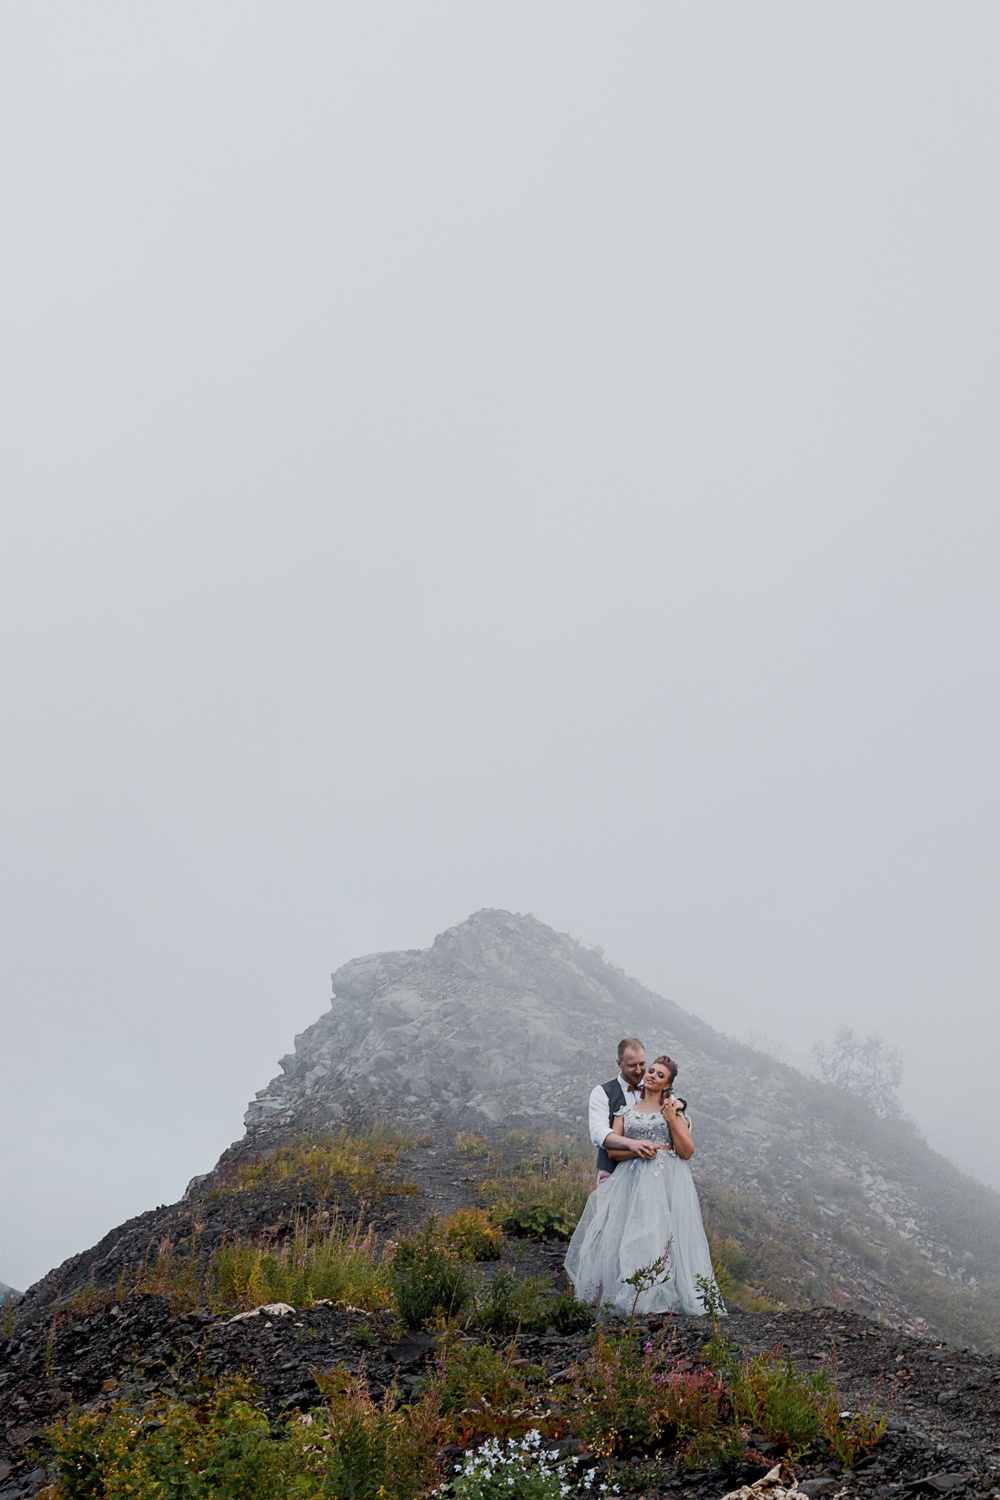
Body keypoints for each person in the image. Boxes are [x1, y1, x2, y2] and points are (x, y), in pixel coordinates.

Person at [566, 1054, 725, 1318]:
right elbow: (614, 1151)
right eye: (651, 1070)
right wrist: (637, 1151)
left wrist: (672, 1117)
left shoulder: (675, 1110)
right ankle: (628, 1294)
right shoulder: (625, 1112)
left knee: (658, 1233)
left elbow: (686, 1151)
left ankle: (657, 1297)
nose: (651, 1075)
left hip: (664, 1182)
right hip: (628, 1180)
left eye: (659, 1075)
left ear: (667, 1085)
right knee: (625, 1233)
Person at [588, 1038, 658, 1185]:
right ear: (619, 1063)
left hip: (651, 1179)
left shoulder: (657, 1088)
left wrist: (680, 1109)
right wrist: (632, 1144)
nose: (639, 1070)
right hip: (612, 1176)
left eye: (642, 1064)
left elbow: (682, 1123)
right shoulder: (601, 1092)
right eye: (632, 1066)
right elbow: (598, 1132)